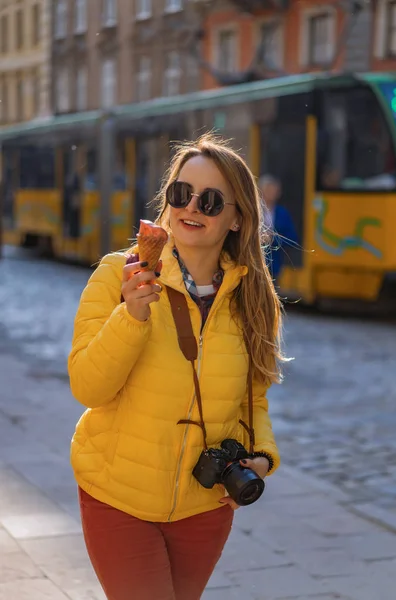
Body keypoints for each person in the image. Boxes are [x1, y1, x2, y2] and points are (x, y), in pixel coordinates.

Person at [68, 134, 283, 600]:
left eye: (210, 201)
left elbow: (255, 397)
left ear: (237, 218)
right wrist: (132, 316)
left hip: (204, 507)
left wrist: (262, 456)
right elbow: (88, 387)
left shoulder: (252, 302)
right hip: (117, 497)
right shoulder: (116, 275)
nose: (192, 208)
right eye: (181, 194)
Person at [259, 174, 299, 281]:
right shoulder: (253, 212)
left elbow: (293, 240)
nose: (271, 193)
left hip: (274, 266)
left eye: (274, 190)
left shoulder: (283, 214)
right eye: (268, 190)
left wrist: (273, 239)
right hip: (253, 265)